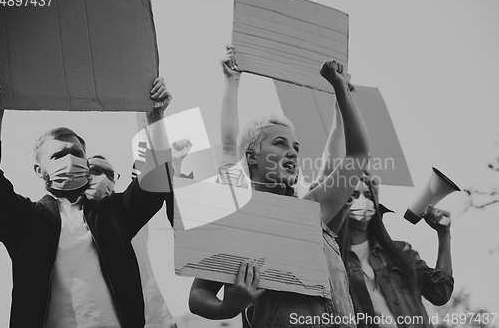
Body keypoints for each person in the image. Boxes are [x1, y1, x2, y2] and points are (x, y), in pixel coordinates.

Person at [189, 49, 372, 328]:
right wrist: (228, 306)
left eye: (296, 148)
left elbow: (357, 155)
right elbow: (197, 295)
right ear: (251, 156)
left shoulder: (311, 211)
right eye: (280, 143)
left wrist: (340, 90)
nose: (292, 153)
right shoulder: (236, 215)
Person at [0, 78, 174, 328]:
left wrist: (156, 117)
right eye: (58, 155)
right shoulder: (25, 220)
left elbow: (156, 182)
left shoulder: (115, 214)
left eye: (77, 153)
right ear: (39, 170)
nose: (69, 160)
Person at [335, 174, 454, 328]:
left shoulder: (401, 252)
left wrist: (444, 234)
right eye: (354, 195)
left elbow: (440, 293)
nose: (363, 202)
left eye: (369, 195)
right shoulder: (333, 260)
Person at [86, 154, 178, 328]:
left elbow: (150, 172)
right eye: (95, 170)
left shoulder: (126, 209)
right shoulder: (66, 222)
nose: (103, 178)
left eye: (110, 174)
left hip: (155, 317)